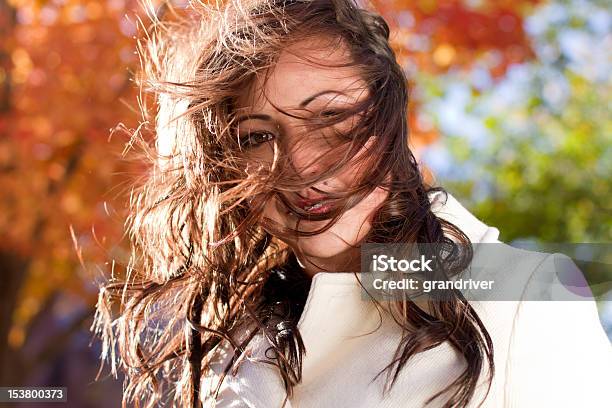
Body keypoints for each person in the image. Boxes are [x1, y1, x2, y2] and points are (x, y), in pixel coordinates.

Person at [91, 0, 612, 407]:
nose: (300, 167)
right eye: (255, 137)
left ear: (388, 115)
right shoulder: (233, 346)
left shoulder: (524, 297)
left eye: (330, 119)